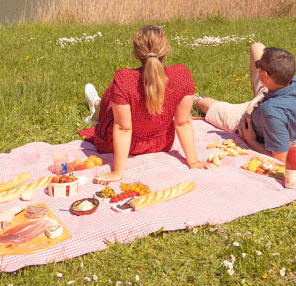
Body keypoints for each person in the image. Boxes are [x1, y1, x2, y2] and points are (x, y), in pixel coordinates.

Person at [79, 25, 210, 181]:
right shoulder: (182, 76)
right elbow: (183, 123)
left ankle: (96, 105)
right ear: (165, 50)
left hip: (114, 144)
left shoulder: (124, 79)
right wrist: (193, 161)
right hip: (161, 143)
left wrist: (118, 172)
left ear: (136, 53)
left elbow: (122, 128)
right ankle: (96, 105)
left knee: (110, 96)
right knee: (116, 94)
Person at [194, 43, 296, 162]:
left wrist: (251, 140)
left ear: (264, 75)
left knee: (209, 106)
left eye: (258, 65)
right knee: (256, 47)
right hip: (266, 96)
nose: (257, 66)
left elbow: (280, 158)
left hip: (244, 121)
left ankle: (196, 99)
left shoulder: (272, 113)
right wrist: (254, 106)